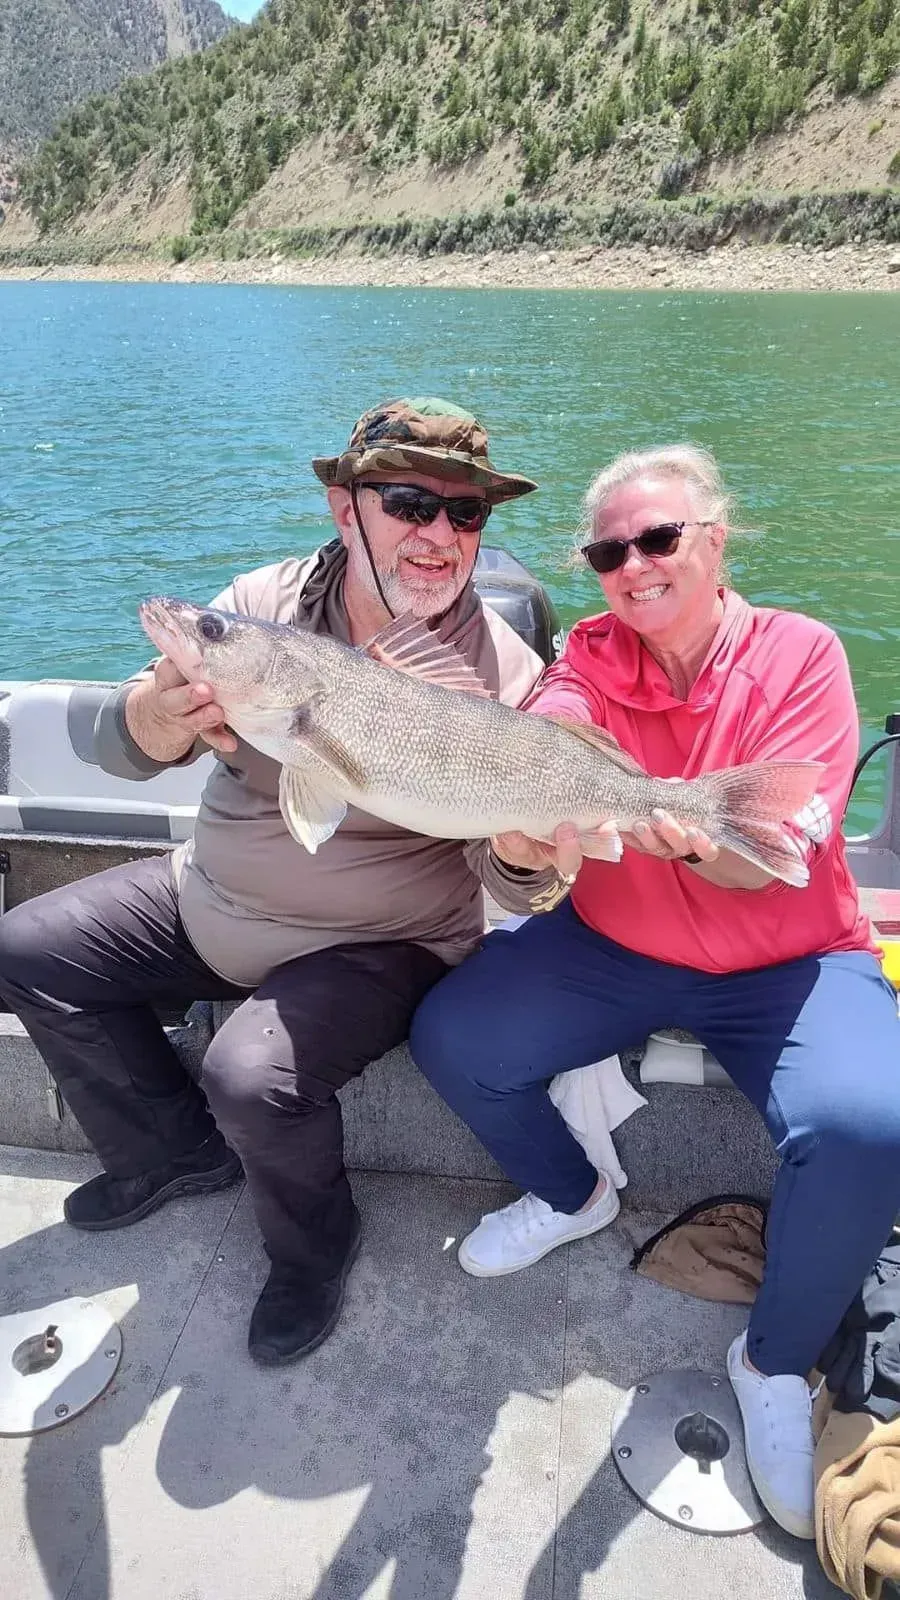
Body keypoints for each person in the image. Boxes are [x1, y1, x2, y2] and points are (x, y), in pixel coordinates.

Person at [0, 397, 576, 1367]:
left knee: (249, 1074)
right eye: (407, 501)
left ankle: (315, 1251)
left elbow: (516, 885)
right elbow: (120, 747)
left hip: (377, 947)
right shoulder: (255, 611)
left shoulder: (506, 674)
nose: (439, 535)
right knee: (26, 949)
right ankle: (168, 1153)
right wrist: (156, 713)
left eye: (466, 512)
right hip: (209, 899)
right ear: (344, 507)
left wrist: (529, 853)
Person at [410, 443, 900, 1540]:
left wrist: (669, 828)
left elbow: (763, 853)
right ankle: (573, 1193)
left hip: (792, 961)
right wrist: (528, 843)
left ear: (716, 540)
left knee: (875, 1122)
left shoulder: (802, 655)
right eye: (608, 550)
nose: (634, 565)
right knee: (456, 1034)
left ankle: (771, 1361)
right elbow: (528, 833)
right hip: (616, 944)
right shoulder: (581, 662)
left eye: (660, 539)